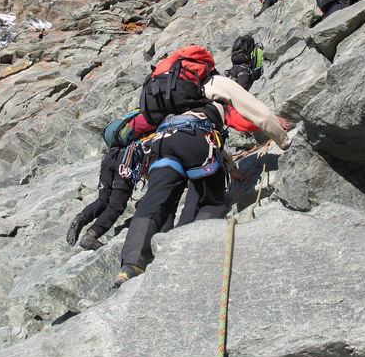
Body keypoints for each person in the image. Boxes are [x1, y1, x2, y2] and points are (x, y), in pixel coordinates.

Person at [115, 49, 291, 286]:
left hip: (160, 144)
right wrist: (284, 141)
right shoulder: (214, 82)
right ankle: (191, 255)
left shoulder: (166, 90)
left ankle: (132, 264)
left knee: (156, 200)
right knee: (209, 199)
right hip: (199, 141)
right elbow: (257, 114)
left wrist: (229, 166)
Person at [66, 113, 155, 250]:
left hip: (110, 156)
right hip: (126, 160)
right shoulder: (156, 121)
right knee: (116, 205)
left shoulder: (132, 118)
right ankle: (91, 235)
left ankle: (81, 218)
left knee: (103, 200)